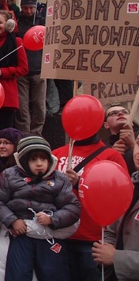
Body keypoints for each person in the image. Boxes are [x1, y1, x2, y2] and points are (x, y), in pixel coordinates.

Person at [0, 136, 81, 281]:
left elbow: (72, 207)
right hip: (20, 234)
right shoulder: (9, 175)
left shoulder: (59, 179)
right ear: (24, 161)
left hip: (49, 234)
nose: (39, 164)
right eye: (33, 159)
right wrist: (12, 220)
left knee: (54, 272)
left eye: (43, 159)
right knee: (18, 273)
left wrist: (52, 219)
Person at [52, 132, 128, 281]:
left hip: (93, 240)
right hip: (59, 236)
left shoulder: (111, 156)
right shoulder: (56, 154)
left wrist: (80, 182)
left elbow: (119, 191)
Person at [92, 141, 139, 281]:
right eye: (138, 143)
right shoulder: (127, 185)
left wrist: (116, 257)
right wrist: (105, 249)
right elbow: (112, 229)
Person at [14, 0, 47, 135]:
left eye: (31, 8)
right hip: (22, 70)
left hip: (39, 70)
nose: (28, 11)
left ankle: (37, 134)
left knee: (39, 106)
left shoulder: (42, 22)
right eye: (25, 8)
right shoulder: (17, 23)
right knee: (23, 107)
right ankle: (25, 136)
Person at [103, 105, 137, 174]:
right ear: (106, 125)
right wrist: (112, 156)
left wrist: (134, 145)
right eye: (113, 113)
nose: (120, 113)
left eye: (125, 112)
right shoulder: (102, 147)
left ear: (132, 123)